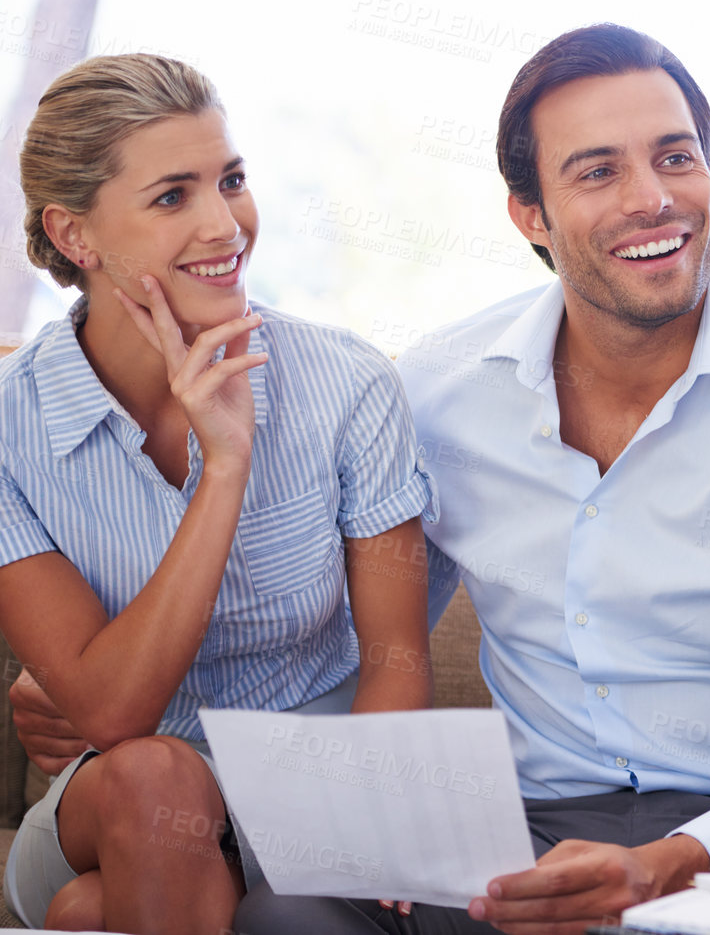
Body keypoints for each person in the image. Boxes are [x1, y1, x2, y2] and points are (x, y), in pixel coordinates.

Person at [223, 23, 710, 934]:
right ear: (529, 215)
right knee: (288, 918)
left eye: (677, 157)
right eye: (597, 172)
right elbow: (349, 628)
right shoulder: (439, 392)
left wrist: (665, 863)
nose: (655, 199)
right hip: (516, 832)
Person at [0, 54, 436, 933]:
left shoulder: (346, 385)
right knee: (155, 775)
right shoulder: (12, 427)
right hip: (113, 800)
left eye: (230, 180)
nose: (225, 223)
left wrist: (373, 820)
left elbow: (399, 657)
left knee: (91, 913)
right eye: (173, 196)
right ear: (76, 235)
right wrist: (223, 466)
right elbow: (110, 712)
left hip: (313, 798)